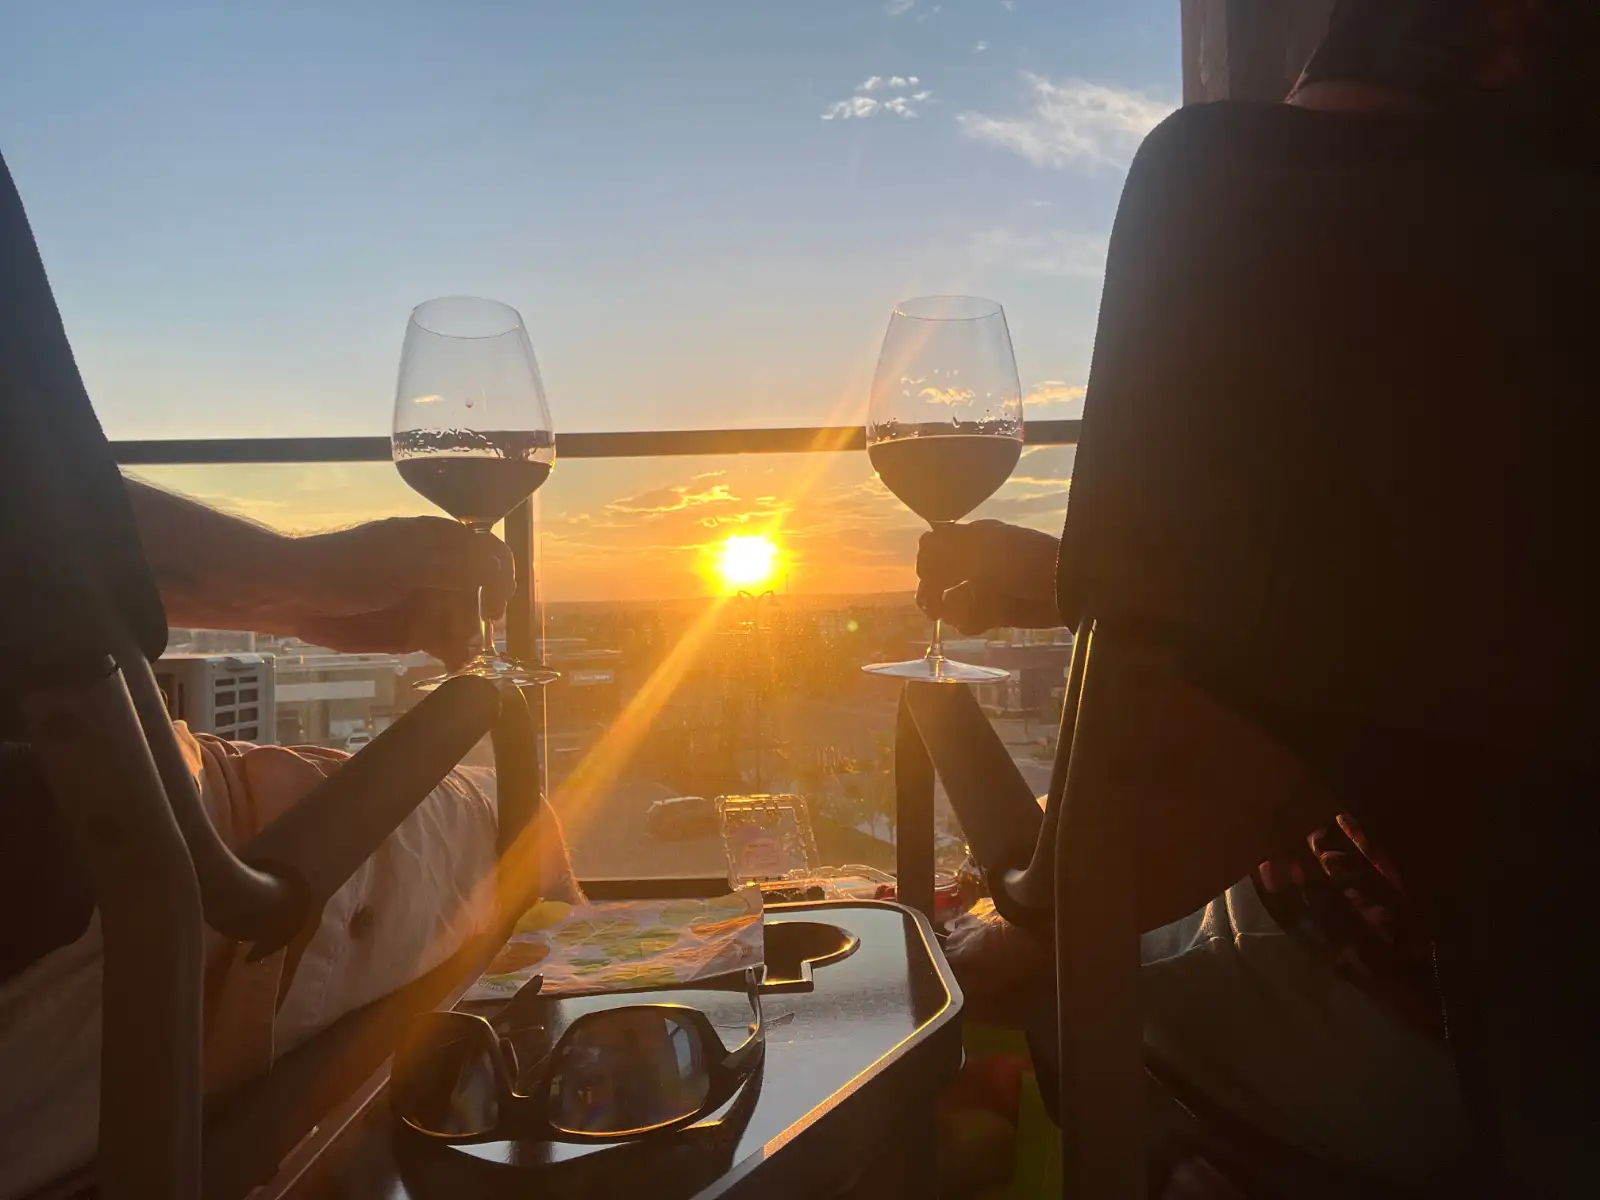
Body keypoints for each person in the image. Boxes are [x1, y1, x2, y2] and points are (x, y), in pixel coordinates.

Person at [0, 480, 582, 1196]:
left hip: (81, 839)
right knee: (516, 826)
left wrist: (297, 599)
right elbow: (26, 485)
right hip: (111, 864)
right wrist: (297, 573)